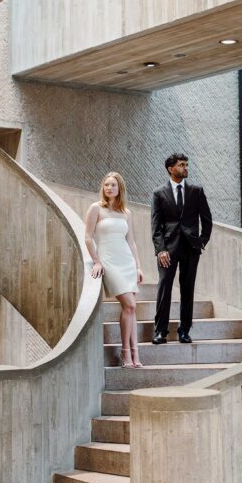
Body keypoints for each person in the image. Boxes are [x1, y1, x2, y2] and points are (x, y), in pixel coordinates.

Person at [151, 153, 213, 345]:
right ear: (171, 169)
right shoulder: (159, 193)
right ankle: (161, 331)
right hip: (167, 249)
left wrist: (201, 241)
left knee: (188, 289)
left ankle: (184, 330)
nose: (186, 168)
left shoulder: (196, 191)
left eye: (186, 165)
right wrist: (160, 249)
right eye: (181, 165)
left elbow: (207, 219)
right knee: (164, 288)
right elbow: (156, 225)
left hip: (190, 248)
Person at [85, 172, 145, 368]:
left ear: (120, 189)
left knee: (131, 308)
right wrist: (96, 261)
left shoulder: (126, 213)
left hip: (126, 261)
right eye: (106, 185)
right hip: (109, 262)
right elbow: (87, 237)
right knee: (130, 305)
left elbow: (131, 242)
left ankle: (134, 354)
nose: (109, 188)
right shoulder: (96, 208)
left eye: (113, 185)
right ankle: (125, 352)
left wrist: (138, 267)